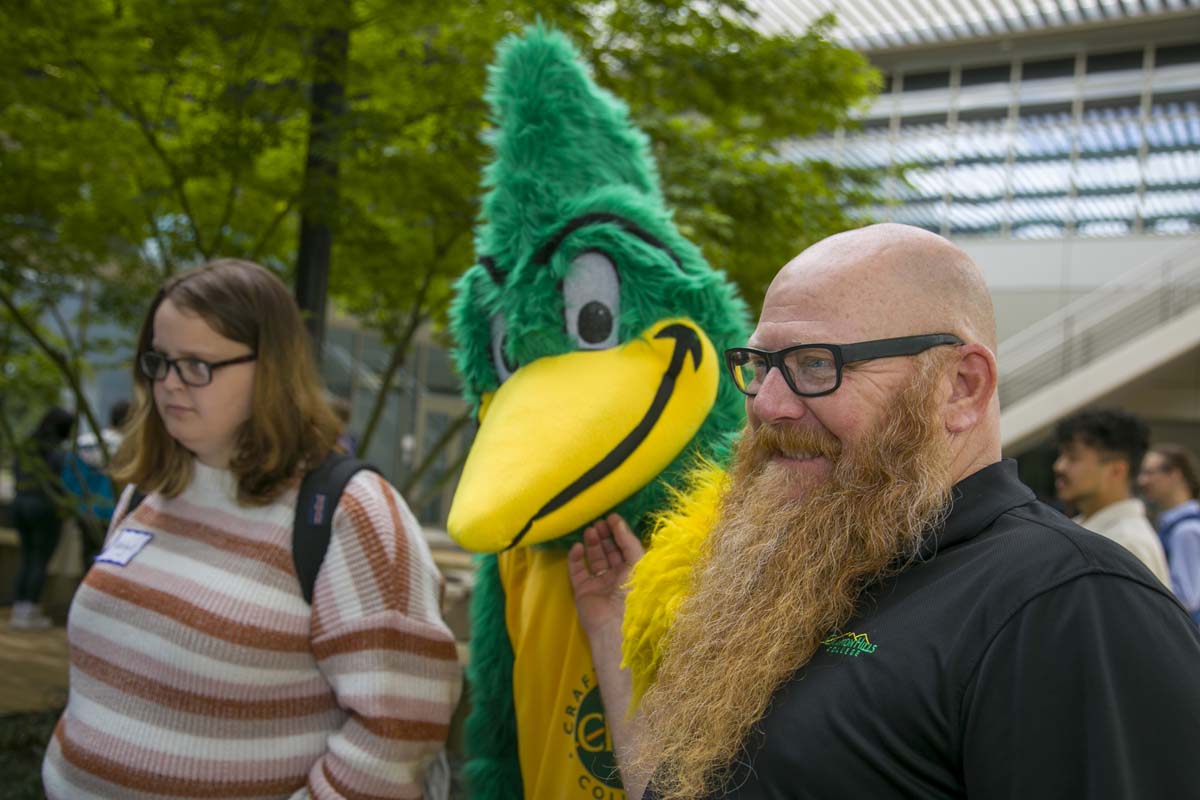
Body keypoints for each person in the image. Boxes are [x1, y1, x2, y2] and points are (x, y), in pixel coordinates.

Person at [570, 223, 1200, 800]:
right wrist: (610, 628)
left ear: (961, 387)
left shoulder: (1068, 603)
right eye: (761, 366)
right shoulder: (799, 567)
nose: (768, 405)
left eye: (816, 364)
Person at [43, 259, 461, 799]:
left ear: (270, 370)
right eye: (160, 360)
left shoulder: (346, 512)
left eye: (197, 364)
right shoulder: (147, 491)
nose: (169, 383)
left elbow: (399, 731)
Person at [1052, 408, 1169, 584]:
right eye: (1061, 455)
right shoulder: (1090, 531)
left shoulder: (1128, 544)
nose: (1059, 466)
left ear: (1116, 470)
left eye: (1073, 458)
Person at [10, 406, 74, 631]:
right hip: (44, 508)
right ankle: (30, 610)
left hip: (20, 503)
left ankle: (20, 607)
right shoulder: (58, 451)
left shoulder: (27, 446)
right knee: (39, 559)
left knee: (27, 556)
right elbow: (64, 483)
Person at [60, 399, 130, 570]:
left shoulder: (83, 444)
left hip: (84, 510)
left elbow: (67, 478)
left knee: (86, 557)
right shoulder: (129, 449)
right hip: (111, 512)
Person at [1139, 443, 1200, 623]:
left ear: (1175, 474)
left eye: (1150, 473)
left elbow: (1186, 598)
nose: (1143, 481)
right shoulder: (1175, 526)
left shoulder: (1185, 530)